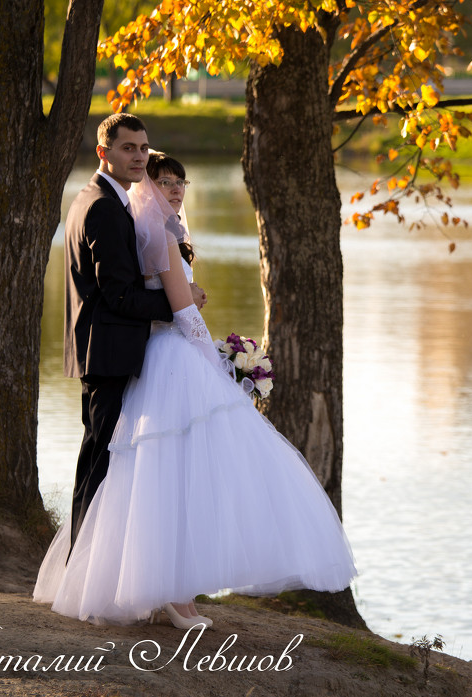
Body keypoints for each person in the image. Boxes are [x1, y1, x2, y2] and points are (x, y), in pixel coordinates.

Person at [35, 150, 357, 628]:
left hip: (168, 358)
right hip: (174, 362)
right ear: (147, 186)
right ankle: (172, 593)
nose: (175, 190)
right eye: (165, 182)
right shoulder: (159, 237)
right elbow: (185, 314)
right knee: (171, 480)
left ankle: (170, 589)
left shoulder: (164, 233)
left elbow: (179, 302)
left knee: (174, 480)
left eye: (180, 183)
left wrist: (199, 324)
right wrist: (221, 367)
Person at [61, 114, 204, 549]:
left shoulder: (103, 198)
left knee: (100, 460)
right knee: (101, 463)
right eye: (128, 148)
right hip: (107, 352)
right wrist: (182, 304)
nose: (139, 156)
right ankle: (80, 567)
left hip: (104, 349)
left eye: (143, 148)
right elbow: (119, 296)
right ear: (104, 152)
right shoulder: (104, 207)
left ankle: (83, 565)